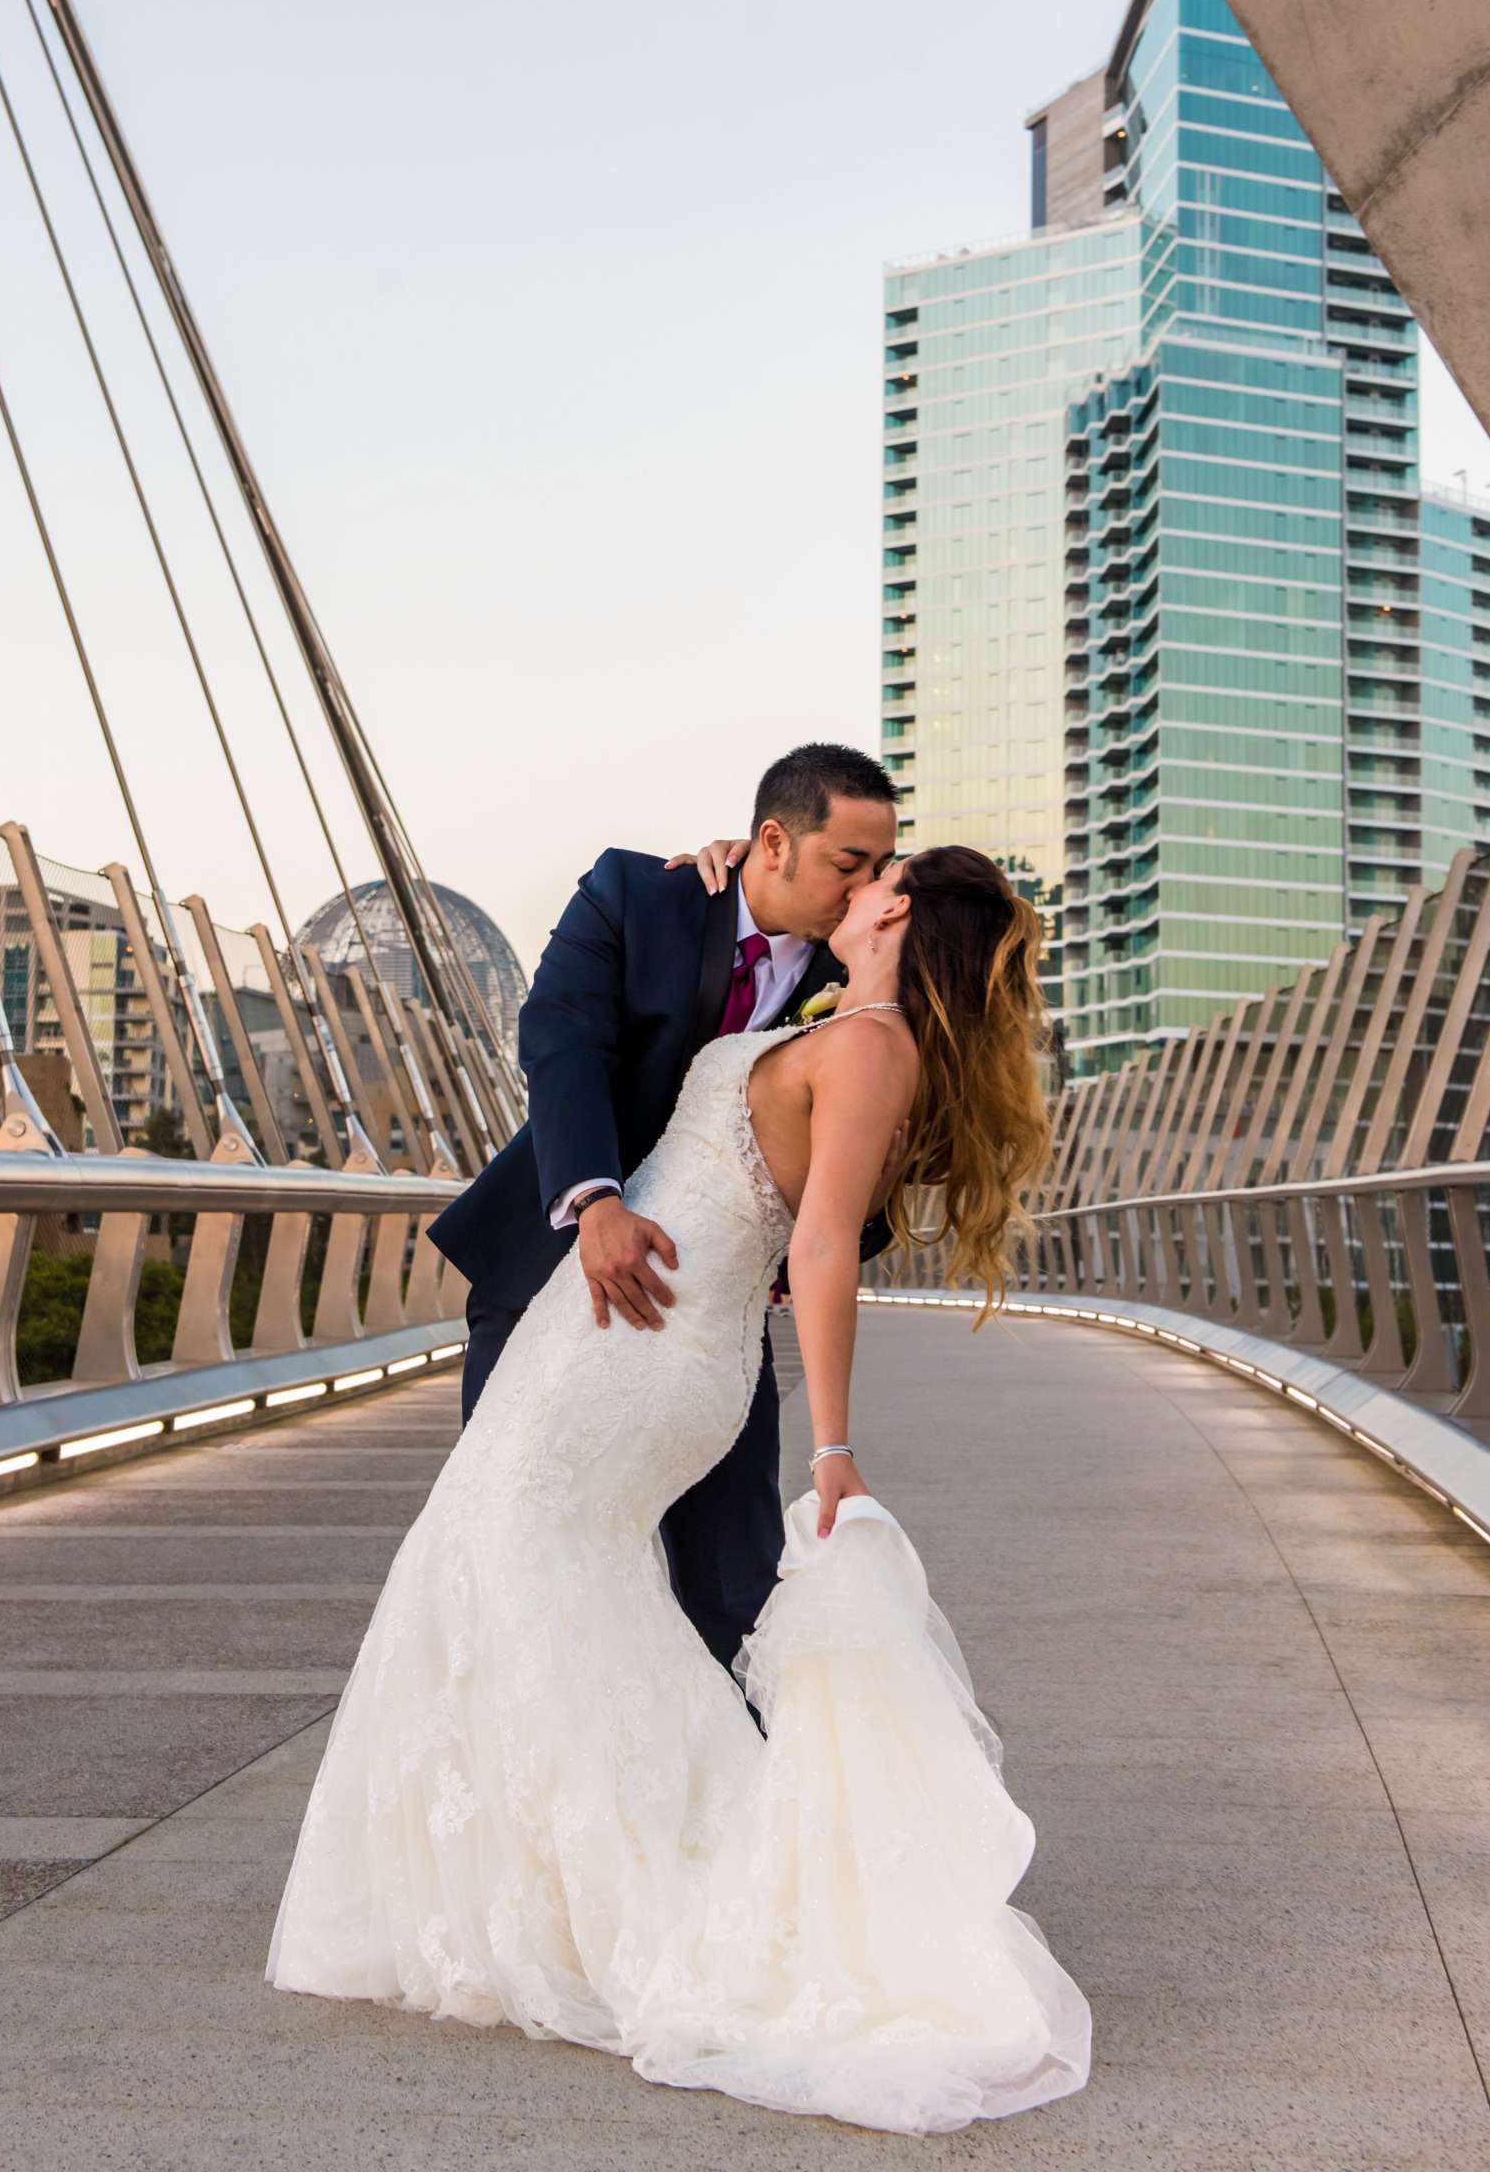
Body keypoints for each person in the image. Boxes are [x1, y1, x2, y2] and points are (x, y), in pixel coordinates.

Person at [266, 837, 1093, 2134]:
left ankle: (646, 1888)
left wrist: (830, 1446)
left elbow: (821, 1247)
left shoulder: (872, 1045)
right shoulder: (828, 1019)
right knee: (508, 1569)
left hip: (653, 1349)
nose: (858, 881)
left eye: (879, 874)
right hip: (601, 1330)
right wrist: (712, 870)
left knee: (522, 1566)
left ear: (899, 918)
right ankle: (559, 1873)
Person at [424, 741, 901, 1673]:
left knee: (735, 1586)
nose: (865, 888)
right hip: (550, 1276)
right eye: (851, 863)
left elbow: (866, 1181)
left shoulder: (858, 976)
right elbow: (561, 1041)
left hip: (707, 1315)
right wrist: (593, 1199)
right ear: (773, 842)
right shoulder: (637, 895)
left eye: (882, 868)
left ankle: (746, 1798)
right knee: (514, 1547)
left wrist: (778, 1248)